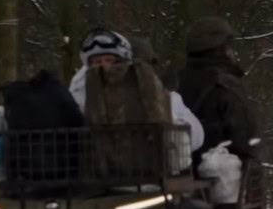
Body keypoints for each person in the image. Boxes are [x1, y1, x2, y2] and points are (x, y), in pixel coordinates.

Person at [69, 28, 205, 151]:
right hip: (98, 170)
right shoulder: (80, 92)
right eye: (97, 62)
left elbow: (196, 136)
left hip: (147, 167)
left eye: (108, 60)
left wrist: (169, 123)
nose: (103, 67)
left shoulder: (153, 90)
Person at [177, 16, 257, 165]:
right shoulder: (226, 85)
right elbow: (245, 141)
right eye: (229, 46)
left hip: (177, 176)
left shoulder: (171, 82)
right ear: (222, 49)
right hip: (218, 176)